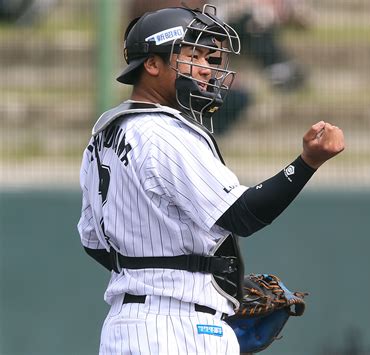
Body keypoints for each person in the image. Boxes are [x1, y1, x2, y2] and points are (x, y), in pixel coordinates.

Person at [77, 4, 344, 354]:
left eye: (208, 58)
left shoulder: (102, 137)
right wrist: (308, 161)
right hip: (175, 328)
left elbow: (94, 243)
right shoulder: (165, 132)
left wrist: (197, 272)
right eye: (192, 56)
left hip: (128, 326)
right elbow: (242, 213)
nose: (205, 68)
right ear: (152, 64)